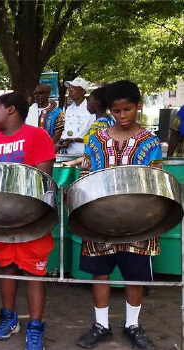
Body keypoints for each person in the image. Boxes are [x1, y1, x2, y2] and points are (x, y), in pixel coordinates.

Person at [75, 80, 159, 350]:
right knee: (101, 274)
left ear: (138, 106)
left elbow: (156, 179)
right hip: (100, 218)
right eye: (116, 111)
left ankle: (132, 325)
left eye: (127, 110)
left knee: (135, 276)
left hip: (139, 219)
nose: (122, 116)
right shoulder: (97, 139)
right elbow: (86, 175)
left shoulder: (149, 141)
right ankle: (101, 325)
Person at [0, 92, 55, 350]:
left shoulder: (38, 136)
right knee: (6, 267)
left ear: (11, 110)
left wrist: (26, 209)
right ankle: (8, 317)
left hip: (31, 218)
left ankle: (35, 325)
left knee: (34, 273)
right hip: (1, 218)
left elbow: (43, 180)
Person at [62, 86, 115, 167]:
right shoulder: (110, 120)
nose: (87, 103)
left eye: (89, 100)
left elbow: (93, 152)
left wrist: (72, 162)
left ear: (97, 103)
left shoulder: (99, 125)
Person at [57, 77, 96, 154]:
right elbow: (66, 129)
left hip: (84, 153)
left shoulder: (90, 109)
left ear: (83, 91)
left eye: (74, 88)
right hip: (67, 152)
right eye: (69, 88)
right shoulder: (69, 109)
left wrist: (73, 140)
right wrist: (62, 140)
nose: (70, 90)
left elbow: (93, 134)